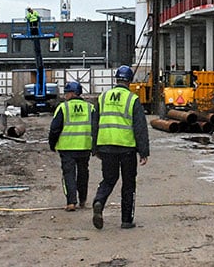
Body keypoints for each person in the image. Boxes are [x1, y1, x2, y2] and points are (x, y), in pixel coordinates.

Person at [91, 65, 150, 230]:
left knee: (109, 179)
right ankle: (126, 220)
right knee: (129, 183)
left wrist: (94, 147)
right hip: (126, 148)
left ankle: (99, 201)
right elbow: (140, 127)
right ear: (130, 81)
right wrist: (143, 151)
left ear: (116, 79)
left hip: (106, 146)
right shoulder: (132, 99)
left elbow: (94, 123)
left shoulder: (103, 97)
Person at [49, 81, 94, 212]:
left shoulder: (63, 108)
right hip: (85, 146)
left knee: (68, 174)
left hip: (67, 147)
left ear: (72, 93)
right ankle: (83, 200)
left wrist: (52, 144)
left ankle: (71, 202)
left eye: (66, 93)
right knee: (83, 173)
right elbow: (95, 127)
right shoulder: (90, 108)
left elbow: (55, 129)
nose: (65, 96)